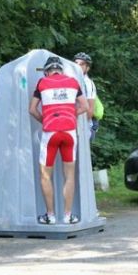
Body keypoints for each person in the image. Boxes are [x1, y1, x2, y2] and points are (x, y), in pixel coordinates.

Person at [29, 56, 88, 225]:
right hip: (69, 133)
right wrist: (69, 115)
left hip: (51, 133)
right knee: (69, 175)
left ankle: (50, 215)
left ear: (47, 71)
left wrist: (46, 119)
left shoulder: (42, 83)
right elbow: (84, 106)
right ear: (60, 70)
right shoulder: (73, 82)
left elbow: (32, 109)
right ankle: (69, 216)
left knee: (45, 175)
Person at [74, 52, 98, 141]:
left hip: (83, 126)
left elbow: (90, 108)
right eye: (76, 63)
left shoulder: (88, 83)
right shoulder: (72, 80)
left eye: (82, 64)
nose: (78, 66)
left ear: (87, 68)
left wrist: (83, 127)